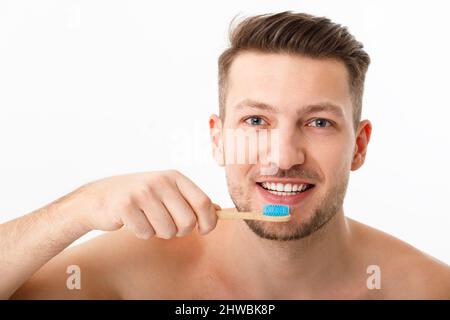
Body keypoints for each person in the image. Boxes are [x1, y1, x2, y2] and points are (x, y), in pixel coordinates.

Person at [1, 11, 449, 300]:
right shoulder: (132, 273)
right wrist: (78, 208)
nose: (285, 156)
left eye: (319, 123)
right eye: (256, 121)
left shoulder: (426, 288)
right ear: (218, 140)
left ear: (360, 145)